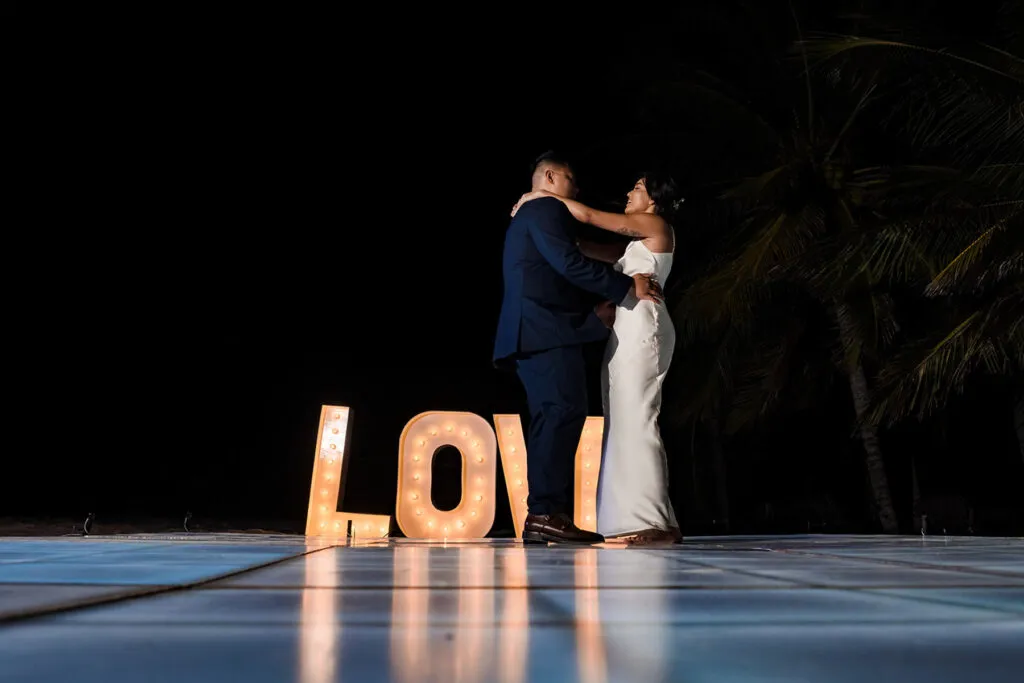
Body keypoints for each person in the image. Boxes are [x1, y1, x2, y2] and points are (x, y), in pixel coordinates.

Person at [493, 151, 664, 544]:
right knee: (562, 412)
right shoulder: (543, 211)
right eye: (571, 179)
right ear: (551, 177)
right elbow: (567, 263)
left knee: (553, 416)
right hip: (542, 330)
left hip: (537, 329)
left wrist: (594, 311)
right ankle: (544, 512)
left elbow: (572, 256)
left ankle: (543, 514)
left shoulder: (535, 213)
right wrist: (626, 287)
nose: (577, 188)